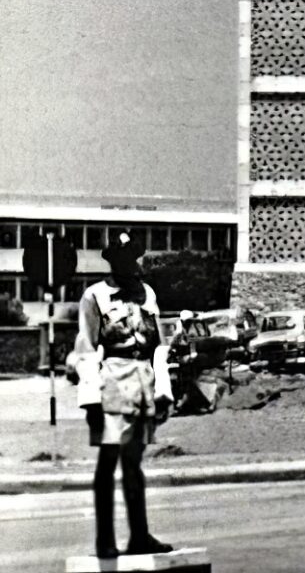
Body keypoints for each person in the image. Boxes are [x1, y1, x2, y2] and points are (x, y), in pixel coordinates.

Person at [72, 229, 176, 563]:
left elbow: (158, 347)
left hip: (142, 383)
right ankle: (105, 539)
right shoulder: (95, 296)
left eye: (132, 257)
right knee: (108, 463)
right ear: (112, 261)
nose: (128, 264)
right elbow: (86, 349)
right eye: (121, 258)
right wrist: (90, 400)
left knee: (134, 464)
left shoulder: (146, 294)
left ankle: (139, 536)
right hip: (111, 385)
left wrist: (163, 389)